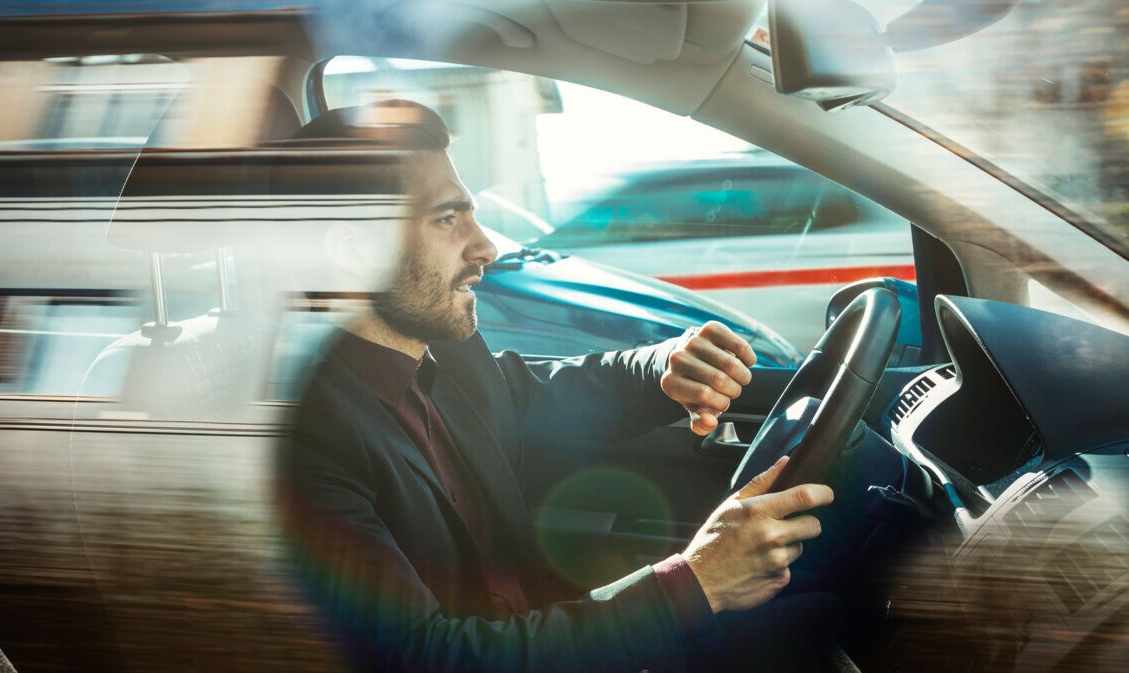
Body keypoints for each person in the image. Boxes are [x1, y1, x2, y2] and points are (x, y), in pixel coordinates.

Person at [277, 100, 835, 673]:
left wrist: (664, 365)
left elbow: (546, 392)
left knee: (826, 614)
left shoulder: (447, 356)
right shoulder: (304, 440)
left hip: (562, 639)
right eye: (447, 219)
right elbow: (425, 657)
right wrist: (694, 584)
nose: (485, 248)